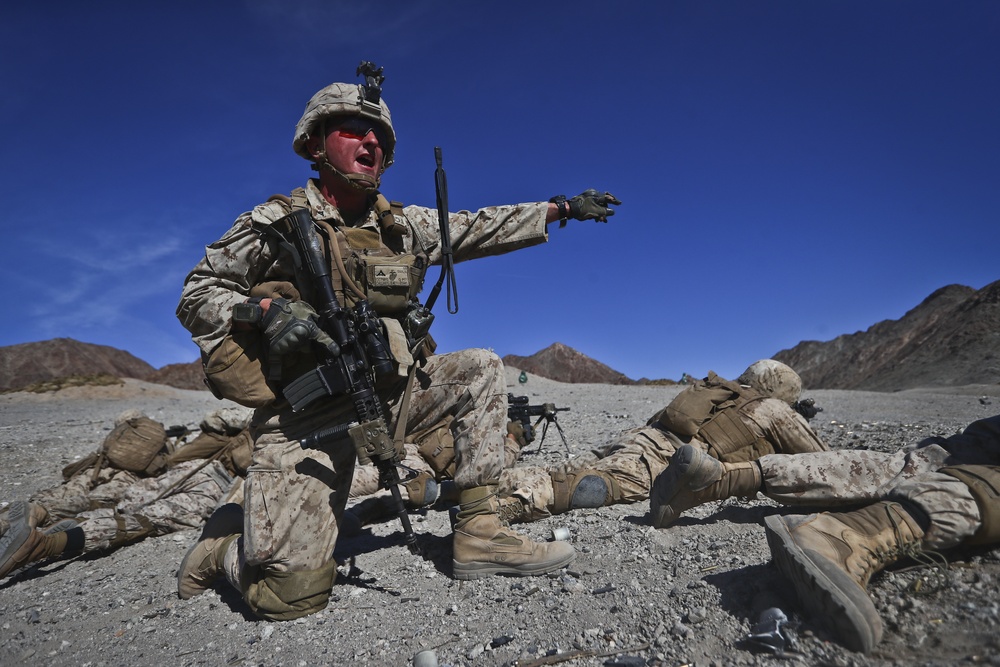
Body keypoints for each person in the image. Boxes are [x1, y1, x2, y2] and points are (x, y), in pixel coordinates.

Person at [174, 63, 620, 621]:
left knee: (479, 368)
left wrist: (561, 209)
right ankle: (221, 554)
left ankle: (480, 532)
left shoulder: (403, 227)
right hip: (305, 417)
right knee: (292, 596)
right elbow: (196, 295)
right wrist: (262, 310)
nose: (371, 143)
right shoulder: (274, 223)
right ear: (313, 143)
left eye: (380, 137)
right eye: (354, 130)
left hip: (391, 398)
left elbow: (476, 226)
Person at [651, 413, 1000, 653]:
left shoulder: (707, 399)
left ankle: (724, 477)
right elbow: (809, 442)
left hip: (985, 435)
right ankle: (847, 533)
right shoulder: (771, 406)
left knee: (911, 463)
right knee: (980, 478)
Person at [495, 359, 828, 523]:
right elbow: (825, 460)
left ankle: (476, 486)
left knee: (561, 468)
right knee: (590, 487)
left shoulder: (719, 392)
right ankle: (503, 505)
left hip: (637, 438)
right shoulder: (773, 409)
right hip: (659, 457)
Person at [0, 408, 251, 580]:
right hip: (219, 484)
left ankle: (49, 518)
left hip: (195, 468)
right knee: (147, 522)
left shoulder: (237, 423)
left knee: (125, 504)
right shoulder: (272, 423)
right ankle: (45, 544)